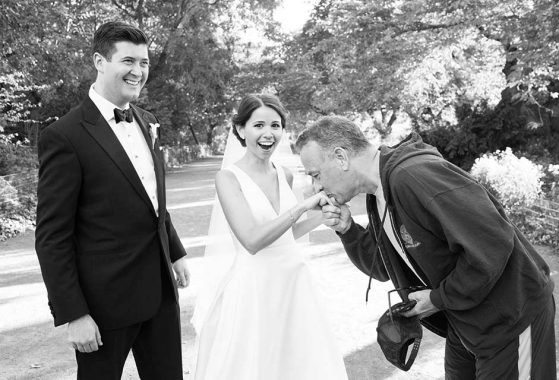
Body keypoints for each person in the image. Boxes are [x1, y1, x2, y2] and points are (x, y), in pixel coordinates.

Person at [296, 115, 556, 379]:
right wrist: (348, 229)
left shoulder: (414, 176)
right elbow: (385, 267)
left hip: (513, 316)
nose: (316, 187)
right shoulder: (379, 193)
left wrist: (436, 299)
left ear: (341, 157)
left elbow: (492, 244)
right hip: (465, 322)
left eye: (315, 175)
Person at [35, 21, 190, 380]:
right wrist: (74, 313)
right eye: (128, 61)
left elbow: (151, 198)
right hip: (103, 305)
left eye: (145, 63)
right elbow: (52, 235)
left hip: (160, 293)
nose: (138, 71)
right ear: (99, 61)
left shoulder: (148, 121)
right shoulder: (64, 136)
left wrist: (176, 251)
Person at [190, 94, 348, 380]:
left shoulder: (284, 174)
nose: (268, 133)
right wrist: (301, 207)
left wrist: (321, 217)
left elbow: (288, 234)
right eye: (258, 125)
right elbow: (251, 240)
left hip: (293, 281)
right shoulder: (228, 179)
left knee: (299, 363)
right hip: (254, 287)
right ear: (240, 130)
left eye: (275, 126)